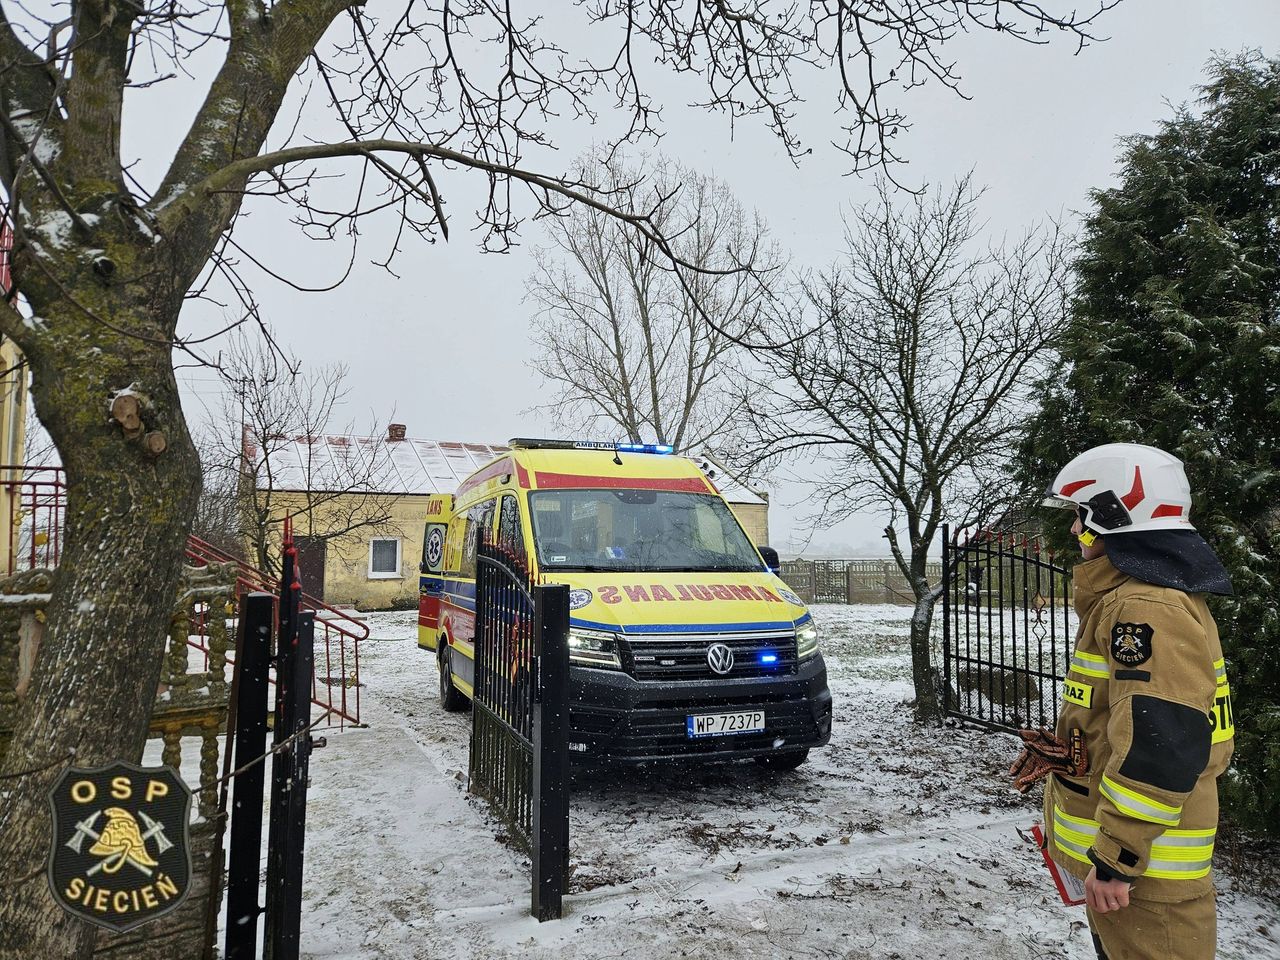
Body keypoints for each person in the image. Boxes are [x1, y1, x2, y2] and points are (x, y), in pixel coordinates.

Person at [1010, 443, 1235, 960]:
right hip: (1138, 872)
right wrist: (1075, 745)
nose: (1074, 531)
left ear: (1115, 515)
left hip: (1144, 875)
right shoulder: (1143, 596)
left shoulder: (1144, 606)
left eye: (1081, 517)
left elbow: (1162, 745)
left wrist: (1117, 858)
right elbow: (1133, 717)